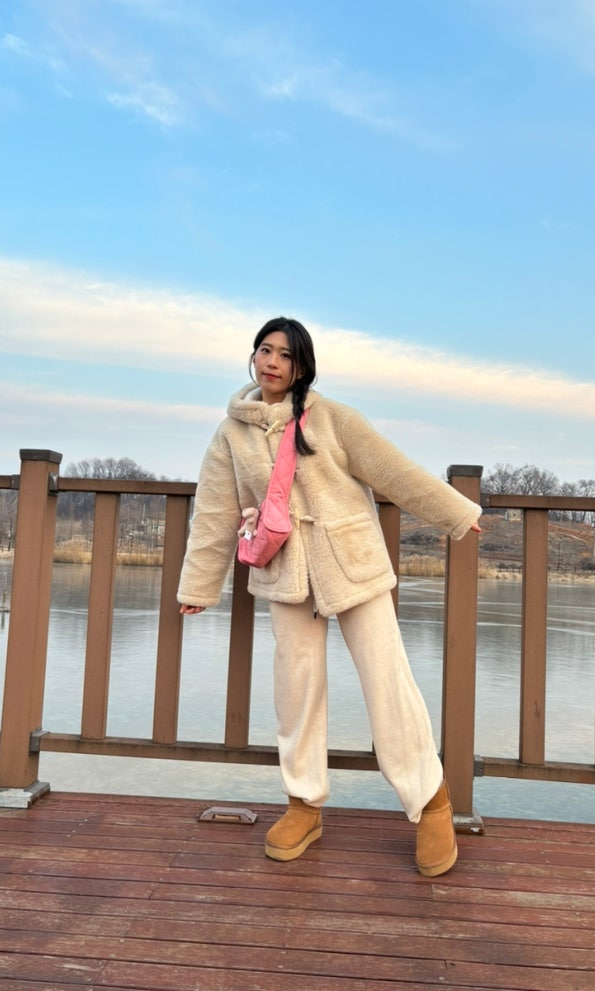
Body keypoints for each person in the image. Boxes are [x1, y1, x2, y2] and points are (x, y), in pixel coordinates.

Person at [178, 316, 482, 877]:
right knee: (295, 690)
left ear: (302, 366)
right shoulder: (231, 433)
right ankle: (304, 803)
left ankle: (430, 800)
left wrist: (456, 513)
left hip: (353, 565)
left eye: (285, 354)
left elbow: (393, 471)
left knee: (388, 683)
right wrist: (200, 584)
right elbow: (215, 511)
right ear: (253, 357)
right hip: (286, 573)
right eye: (264, 350)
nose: (272, 362)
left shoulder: (334, 418)